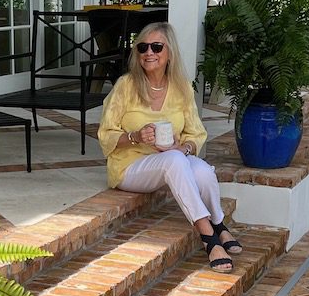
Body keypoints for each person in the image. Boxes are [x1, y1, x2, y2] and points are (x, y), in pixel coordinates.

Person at [97, 22, 242, 272]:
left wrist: (182, 147)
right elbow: (105, 133)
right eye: (142, 47)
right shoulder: (126, 85)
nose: (148, 53)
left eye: (156, 47)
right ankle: (208, 237)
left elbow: (196, 133)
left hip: (170, 159)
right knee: (175, 162)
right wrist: (136, 137)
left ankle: (219, 223)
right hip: (129, 167)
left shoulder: (182, 87)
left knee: (203, 170)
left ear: (169, 52)